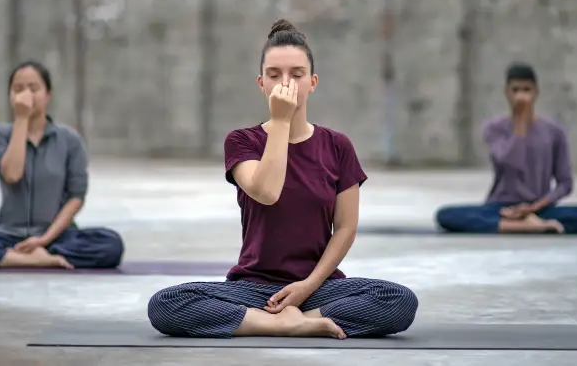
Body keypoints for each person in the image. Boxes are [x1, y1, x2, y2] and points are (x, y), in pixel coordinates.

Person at [147, 19, 418, 339]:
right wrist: (279, 122)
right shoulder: (242, 141)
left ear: (313, 82)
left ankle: (289, 320)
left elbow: (345, 228)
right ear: (261, 83)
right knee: (166, 304)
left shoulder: (337, 145)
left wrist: (307, 287)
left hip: (318, 287)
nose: (285, 83)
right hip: (253, 290)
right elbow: (266, 191)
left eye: (296, 75)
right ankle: (287, 324)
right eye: (274, 75)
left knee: (399, 301)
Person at [0, 61, 124, 269]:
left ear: (48, 94)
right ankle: (28, 259)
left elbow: (76, 198)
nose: (26, 95)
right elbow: (12, 175)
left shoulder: (69, 139)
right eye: (18, 89)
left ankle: (22, 256)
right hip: (8, 236)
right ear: (10, 96)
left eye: (34, 88)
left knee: (111, 244)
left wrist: (44, 240)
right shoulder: (0, 135)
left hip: (56, 237)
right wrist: (21, 119)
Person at [435, 62, 577, 235]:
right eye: (515, 90)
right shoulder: (494, 128)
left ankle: (530, 222)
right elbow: (510, 162)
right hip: (501, 208)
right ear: (507, 92)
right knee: (446, 216)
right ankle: (530, 226)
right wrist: (520, 122)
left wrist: (535, 207)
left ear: (536, 92)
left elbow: (565, 183)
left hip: (539, 207)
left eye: (526, 90)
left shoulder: (554, 131)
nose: (521, 96)